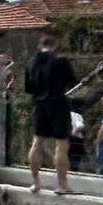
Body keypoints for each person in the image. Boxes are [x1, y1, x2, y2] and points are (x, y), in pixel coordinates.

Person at [25, 34, 77, 194]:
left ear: (40, 46)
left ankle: (35, 183)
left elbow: (28, 88)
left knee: (37, 142)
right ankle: (62, 185)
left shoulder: (31, 62)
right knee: (62, 144)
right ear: (54, 45)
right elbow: (72, 82)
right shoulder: (60, 61)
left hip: (39, 105)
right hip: (58, 103)